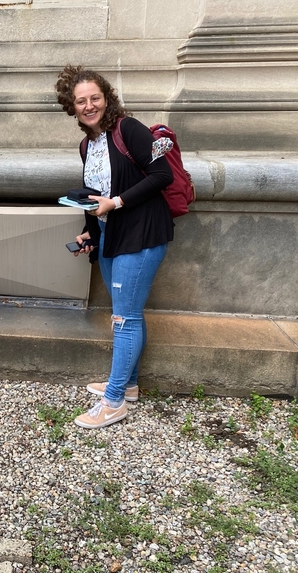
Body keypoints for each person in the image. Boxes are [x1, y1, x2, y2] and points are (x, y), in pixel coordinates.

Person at [55, 66, 173, 429]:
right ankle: (130, 385)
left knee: (124, 318)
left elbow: (162, 175)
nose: (89, 105)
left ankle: (114, 400)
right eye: (81, 101)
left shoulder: (129, 129)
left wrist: (117, 203)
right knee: (128, 311)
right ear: (71, 107)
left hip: (141, 235)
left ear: (107, 98)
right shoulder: (86, 144)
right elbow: (93, 198)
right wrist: (88, 233)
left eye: (95, 97)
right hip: (110, 236)